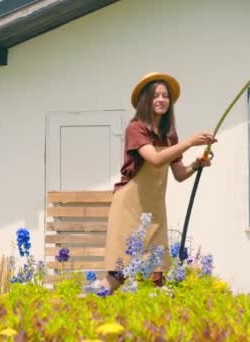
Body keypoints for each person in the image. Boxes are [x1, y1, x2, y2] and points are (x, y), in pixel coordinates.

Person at [93, 72, 216, 294]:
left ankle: (157, 323)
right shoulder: (136, 128)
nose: (161, 100)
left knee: (156, 273)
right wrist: (190, 142)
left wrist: (198, 164)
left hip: (154, 210)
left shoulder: (170, 135)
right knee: (119, 274)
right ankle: (86, 304)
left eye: (165, 96)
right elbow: (156, 159)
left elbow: (179, 173)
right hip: (130, 207)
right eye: (155, 96)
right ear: (145, 101)